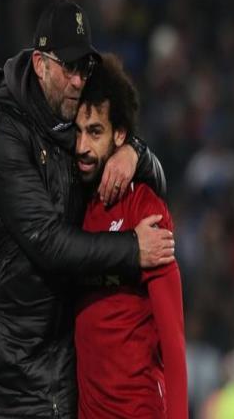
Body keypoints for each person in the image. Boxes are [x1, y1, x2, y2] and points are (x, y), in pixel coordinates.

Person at [0, 0, 174, 419]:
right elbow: (49, 244)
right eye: (68, 68)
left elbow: (157, 186)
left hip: (57, 378)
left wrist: (135, 153)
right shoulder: (5, 133)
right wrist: (134, 250)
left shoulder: (71, 126)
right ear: (40, 65)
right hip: (2, 384)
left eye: (84, 67)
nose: (78, 80)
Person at [73, 53, 188, 418]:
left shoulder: (144, 208)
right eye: (77, 131)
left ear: (119, 135)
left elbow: (173, 338)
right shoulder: (72, 208)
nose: (82, 147)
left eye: (95, 132)